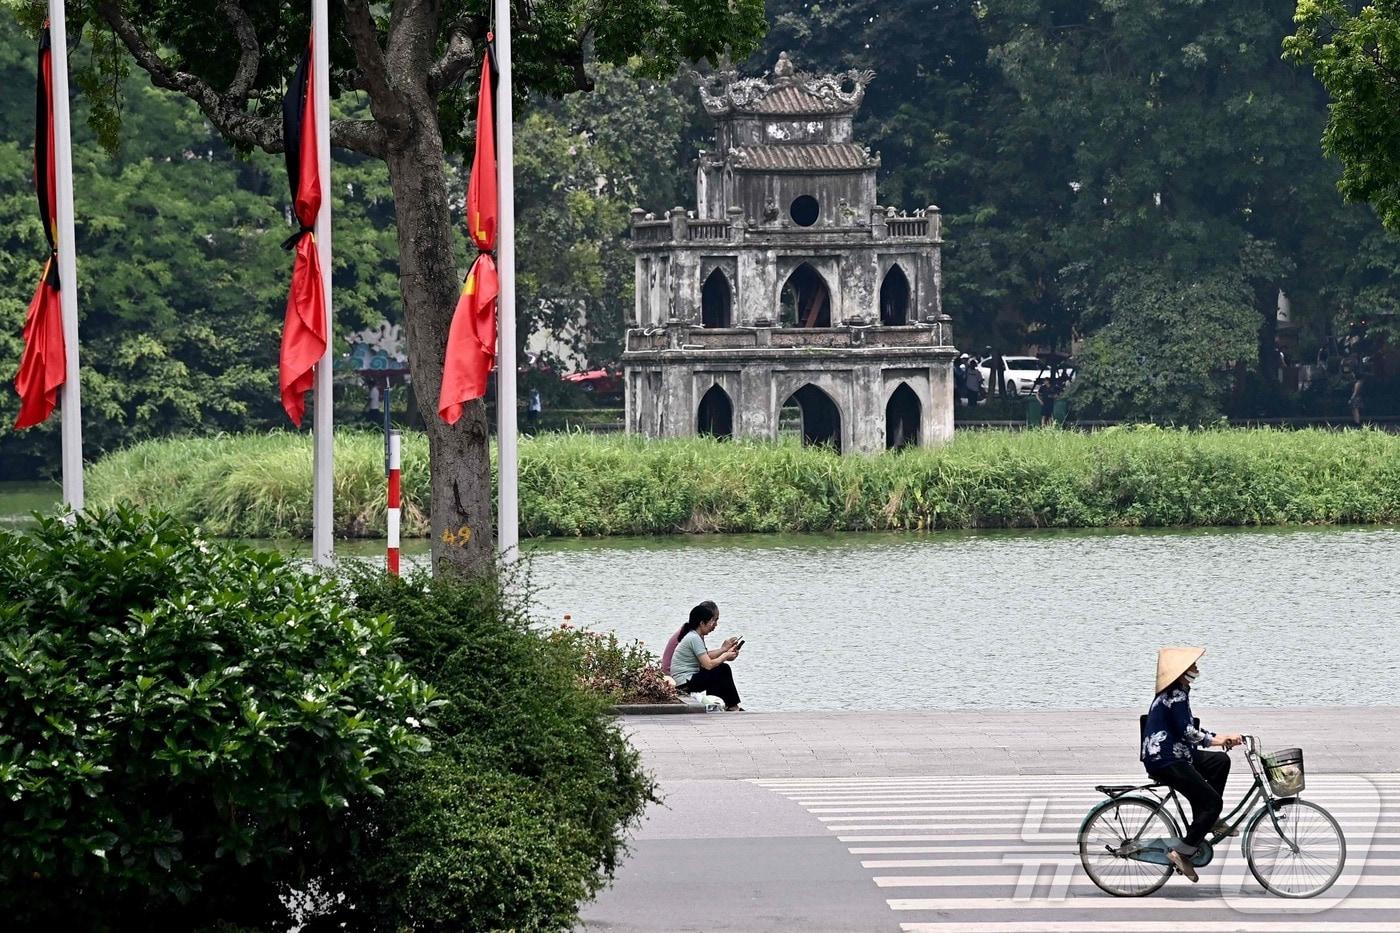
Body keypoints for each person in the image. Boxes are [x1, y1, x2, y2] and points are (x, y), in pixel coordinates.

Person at [1141, 647, 1245, 883]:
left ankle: (1206, 819)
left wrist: (1220, 738)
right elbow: (1188, 733)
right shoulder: (1176, 695)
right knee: (1213, 802)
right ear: (1180, 671)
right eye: (1192, 665)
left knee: (1219, 761)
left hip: (1176, 754)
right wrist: (1220, 740)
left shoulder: (1178, 692)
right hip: (1166, 760)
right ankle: (1183, 852)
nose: (1196, 668)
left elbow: (1189, 728)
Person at [669, 601, 743, 711]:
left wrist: (724, 649)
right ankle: (730, 706)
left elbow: (705, 656)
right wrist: (725, 656)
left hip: (687, 680)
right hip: (684, 684)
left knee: (719, 670)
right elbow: (708, 665)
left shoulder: (694, 635)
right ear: (702, 623)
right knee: (722, 669)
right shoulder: (694, 638)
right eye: (712, 622)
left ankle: (722, 705)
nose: (714, 625)